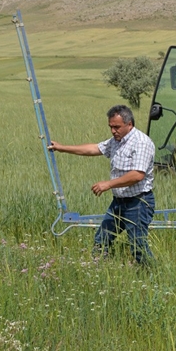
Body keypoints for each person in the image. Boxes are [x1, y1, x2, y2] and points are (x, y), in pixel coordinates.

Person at [48, 105, 156, 265]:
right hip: (119, 203)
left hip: (139, 203)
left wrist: (108, 184)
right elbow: (94, 148)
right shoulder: (116, 141)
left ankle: (151, 275)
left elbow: (137, 175)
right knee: (102, 238)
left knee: (137, 244)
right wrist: (62, 148)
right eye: (111, 127)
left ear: (129, 124)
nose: (113, 131)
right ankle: (97, 268)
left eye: (117, 127)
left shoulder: (141, 143)